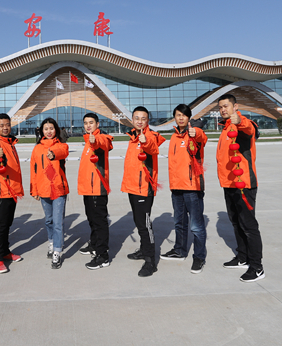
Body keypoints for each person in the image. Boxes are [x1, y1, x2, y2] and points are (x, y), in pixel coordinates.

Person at [217, 94, 264, 282]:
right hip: (229, 184)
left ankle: (257, 267)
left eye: (226, 106)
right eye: (220, 107)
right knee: (236, 222)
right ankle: (243, 257)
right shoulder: (225, 128)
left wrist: (240, 120)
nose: (223, 109)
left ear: (235, 106)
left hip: (243, 184)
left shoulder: (243, 124)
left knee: (249, 226)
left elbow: (250, 129)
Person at [162, 104, 208, 274]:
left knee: (196, 226)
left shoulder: (194, 133)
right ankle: (179, 250)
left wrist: (196, 132)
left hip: (192, 187)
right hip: (176, 187)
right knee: (179, 223)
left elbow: (202, 138)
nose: (180, 118)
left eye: (184, 115)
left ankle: (199, 257)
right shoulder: (174, 137)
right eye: (178, 115)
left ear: (189, 118)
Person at [122, 106, 166, 277]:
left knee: (145, 225)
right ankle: (143, 250)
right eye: (137, 118)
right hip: (132, 187)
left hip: (144, 188)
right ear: (132, 120)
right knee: (139, 223)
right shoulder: (133, 137)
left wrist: (145, 141)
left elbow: (153, 148)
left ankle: (150, 261)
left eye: (143, 118)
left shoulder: (150, 136)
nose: (140, 121)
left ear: (148, 121)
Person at [0, 113, 25, 274]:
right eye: (1, 125)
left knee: (6, 224)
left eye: (7, 124)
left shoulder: (9, 142)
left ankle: (4, 252)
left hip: (11, 191)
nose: (5, 128)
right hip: (0, 192)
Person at [30, 118, 70, 269]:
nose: (49, 131)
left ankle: (57, 252)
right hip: (43, 189)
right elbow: (33, 170)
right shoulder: (37, 149)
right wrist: (34, 189)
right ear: (41, 131)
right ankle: (52, 242)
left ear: (56, 130)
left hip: (58, 189)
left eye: (51, 128)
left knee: (58, 222)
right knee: (49, 220)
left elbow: (63, 152)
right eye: (46, 129)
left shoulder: (61, 145)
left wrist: (53, 153)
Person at [77, 112, 114, 270]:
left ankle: (102, 255)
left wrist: (95, 140)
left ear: (97, 124)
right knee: (92, 219)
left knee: (99, 222)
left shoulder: (101, 138)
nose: (88, 125)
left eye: (91, 122)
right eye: (86, 123)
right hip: (88, 188)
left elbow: (104, 143)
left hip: (97, 189)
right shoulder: (87, 141)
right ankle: (94, 244)